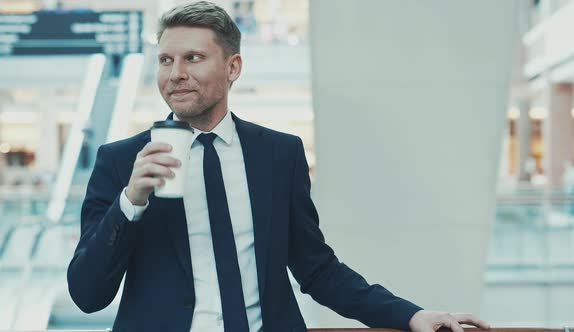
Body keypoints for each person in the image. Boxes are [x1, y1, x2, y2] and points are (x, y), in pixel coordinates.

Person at [67, 2, 491, 332]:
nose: (175, 74)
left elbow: (317, 268)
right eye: (165, 60)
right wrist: (130, 202)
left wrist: (410, 315)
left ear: (232, 67)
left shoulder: (279, 155)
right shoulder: (121, 161)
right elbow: (87, 294)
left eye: (193, 58)